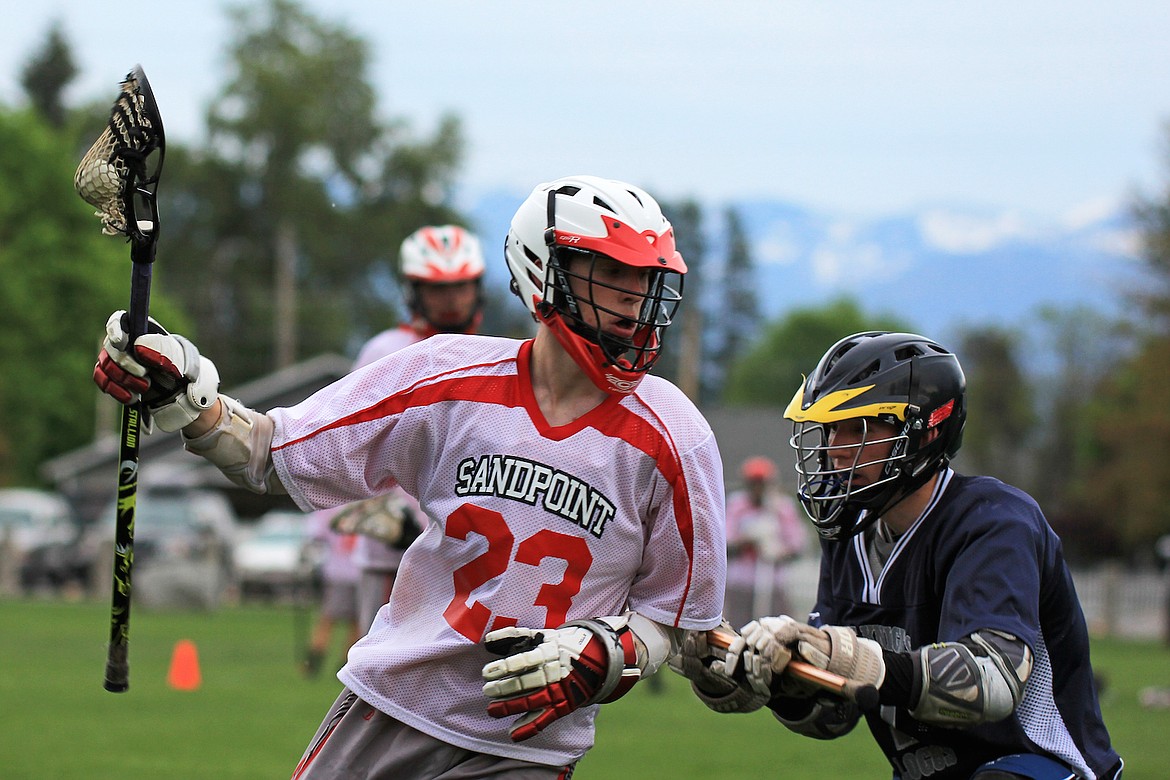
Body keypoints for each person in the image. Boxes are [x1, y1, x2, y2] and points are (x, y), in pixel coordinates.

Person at [92, 174, 727, 779]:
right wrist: (188, 399)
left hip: (523, 747)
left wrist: (609, 652)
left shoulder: (675, 435)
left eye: (644, 277)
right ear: (547, 273)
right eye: (610, 272)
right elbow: (272, 453)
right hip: (392, 705)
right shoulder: (446, 376)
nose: (632, 296)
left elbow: (679, 617)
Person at [673, 331, 1123, 780]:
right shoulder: (849, 530)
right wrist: (767, 677)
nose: (835, 450)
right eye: (830, 429)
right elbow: (835, 715)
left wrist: (848, 657)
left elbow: (989, 682)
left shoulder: (994, 522)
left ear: (922, 430)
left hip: (1043, 767)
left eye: (857, 428)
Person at [341, 224, 486, 631]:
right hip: (391, 552)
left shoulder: (490, 355)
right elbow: (350, 440)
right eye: (438, 289)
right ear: (414, 291)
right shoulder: (386, 351)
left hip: (462, 552)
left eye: (461, 286)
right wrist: (377, 513)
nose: (452, 299)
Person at [724, 455, 808, 627]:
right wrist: (748, 540)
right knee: (738, 627)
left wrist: (777, 550)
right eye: (753, 483)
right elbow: (726, 542)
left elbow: (797, 544)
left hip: (773, 583)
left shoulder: (782, 507)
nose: (757, 488)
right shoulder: (737, 505)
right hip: (741, 584)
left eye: (761, 483)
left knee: (775, 628)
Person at [302, 510, 361, 677]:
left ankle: (314, 663)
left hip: (341, 571)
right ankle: (344, 664)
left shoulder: (333, 509)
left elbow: (314, 532)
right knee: (355, 622)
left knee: (329, 619)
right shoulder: (366, 503)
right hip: (356, 571)